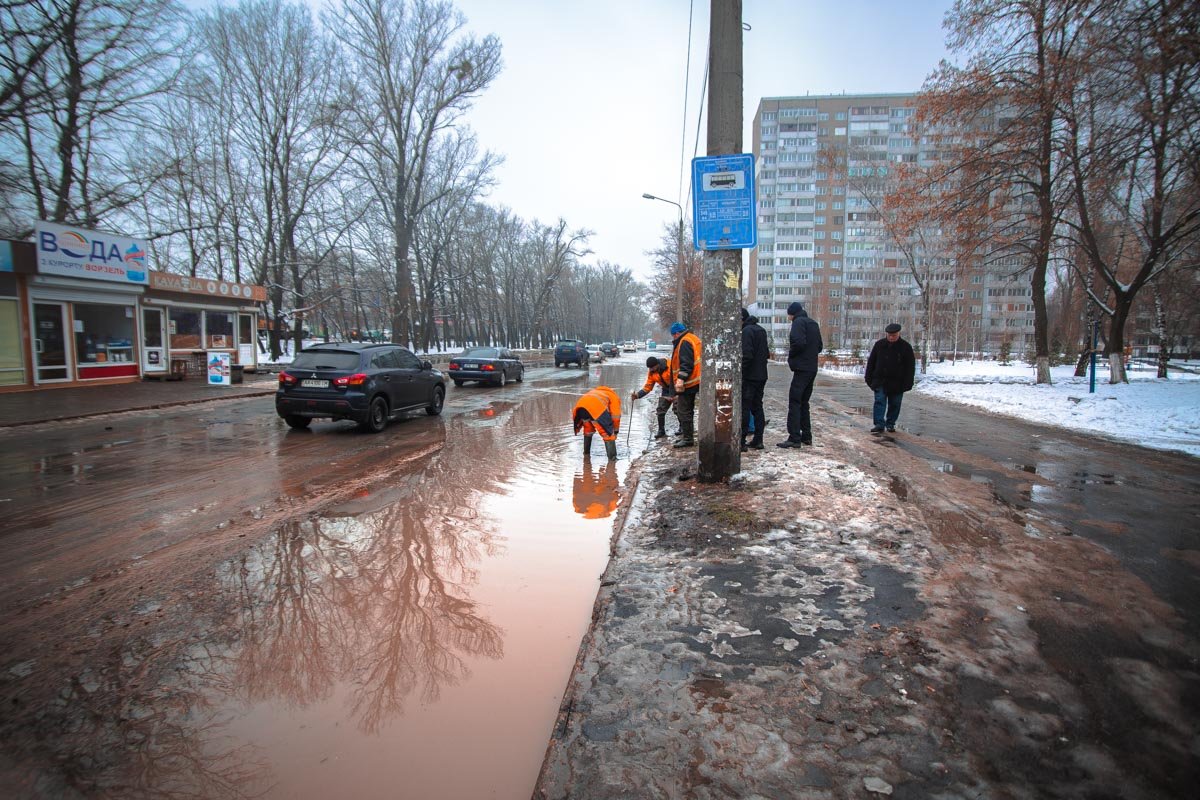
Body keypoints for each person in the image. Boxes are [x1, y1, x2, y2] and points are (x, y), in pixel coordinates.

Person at [778, 301, 822, 449]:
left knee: (795, 402)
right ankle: (807, 436)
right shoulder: (813, 324)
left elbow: (798, 342)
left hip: (802, 368)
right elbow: (820, 346)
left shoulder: (798, 323)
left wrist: (792, 356)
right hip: (812, 368)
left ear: (792, 313)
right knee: (804, 402)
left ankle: (794, 437)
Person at [864, 323, 916, 433]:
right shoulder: (879, 345)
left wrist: (907, 383)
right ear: (886, 334)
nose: (891, 337)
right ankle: (879, 424)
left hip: (897, 383)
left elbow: (910, 367)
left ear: (898, 334)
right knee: (879, 401)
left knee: (895, 404)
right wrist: (869, 379)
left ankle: (890, 423)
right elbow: (871, 363)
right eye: (889, 335)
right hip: (880, 381)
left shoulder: (905, 347)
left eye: (894, 335)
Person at [668, 322, 702, 448]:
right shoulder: (693, 338)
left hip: (689, 382)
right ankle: (688, 437)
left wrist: (681, 379)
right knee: (688, 410)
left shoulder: (684, 342)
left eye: (673, 336)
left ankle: (688, 439)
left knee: (683, 411)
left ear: (676, 334)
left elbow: (686, 363)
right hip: (696, 379)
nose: (673, 338)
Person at [740, 307, 769, 451]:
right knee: (757, 407)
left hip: (749, 376)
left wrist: (740, 372)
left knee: (744, 407)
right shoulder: (761, 330)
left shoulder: (746, 331)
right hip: (762, 375)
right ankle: (758, 439)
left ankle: (741, 441)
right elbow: (766, 354)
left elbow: (747, 355)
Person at [631, 355, 675, 439]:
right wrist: (637, 395)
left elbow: (677, 377)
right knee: (660, 409)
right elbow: (648, 386)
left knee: (678, 409)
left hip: (676, 387)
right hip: (666, 389)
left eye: (652, 368)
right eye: (649, 368)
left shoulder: (669, 365)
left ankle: (682, 429)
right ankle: (661, 431)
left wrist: (675, 394)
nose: (650, 370)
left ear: (657, 365)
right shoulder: (651, 372)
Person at [573, 385, 622, 460]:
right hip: (595, 408)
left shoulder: (596, 392)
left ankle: (586, 454)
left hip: (581, 408)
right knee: (608, 434)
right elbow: (616, 416)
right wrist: (615, 431)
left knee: (588, 431)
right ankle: (612, 459)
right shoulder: (613, 396)